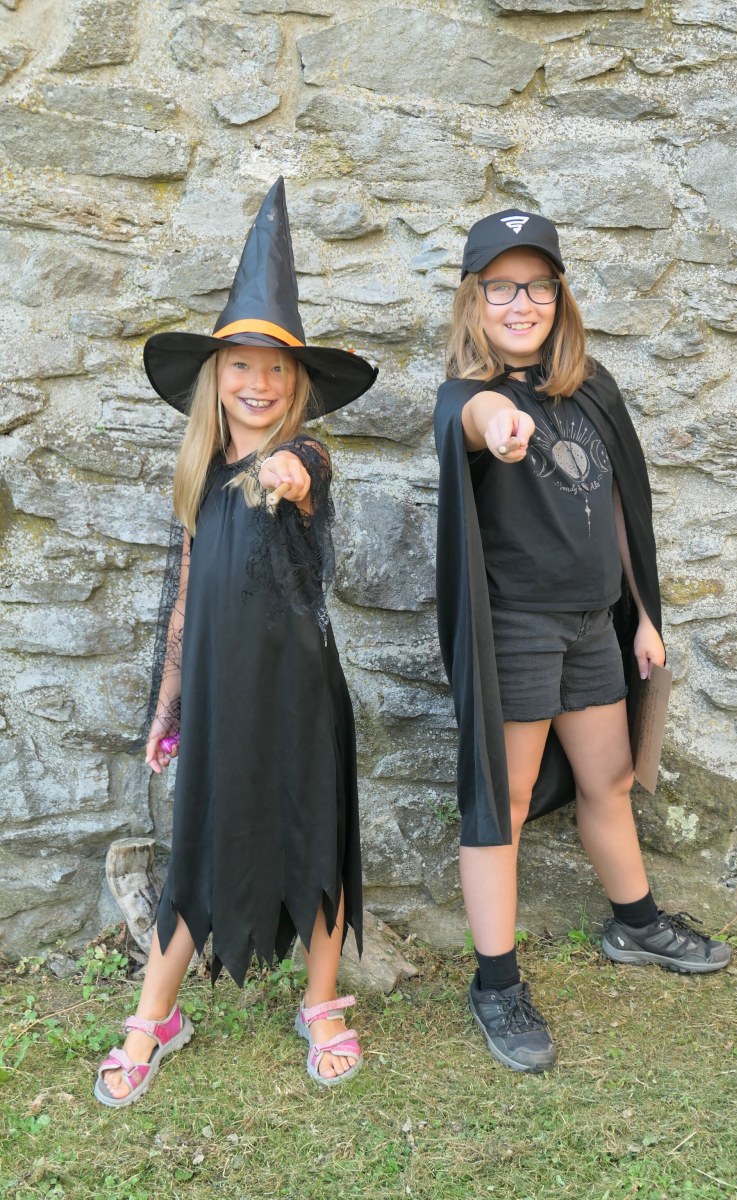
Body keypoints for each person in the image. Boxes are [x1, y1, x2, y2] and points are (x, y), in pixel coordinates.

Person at [94, 178, 378, 1105]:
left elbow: (302, 478)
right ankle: (155, 1016)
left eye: (277, 372)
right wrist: (167, 704)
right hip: (219, 695)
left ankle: (321, 1003)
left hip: (297, 693)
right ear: (216, 378)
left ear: (297, 387)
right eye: (242, 368)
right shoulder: (200, 477)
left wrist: (289, 471)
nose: (259, 385)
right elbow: (183, 601)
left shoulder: (306, 458)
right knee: (200, 843)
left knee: (313, 831)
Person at [434, 208, 730, 1074]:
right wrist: (500, 425)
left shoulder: (591, 388)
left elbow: (622, 512)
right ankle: (496, 983)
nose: (520, 303)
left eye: (538, 286)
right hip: (517, 628)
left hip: (595, 624)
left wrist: (643, 614)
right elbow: (478, 415)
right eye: (501, 287)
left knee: (609, 779)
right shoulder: (465, 396)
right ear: (475, 300)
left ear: (559, 297)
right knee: (505, 801)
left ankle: (636, 925)